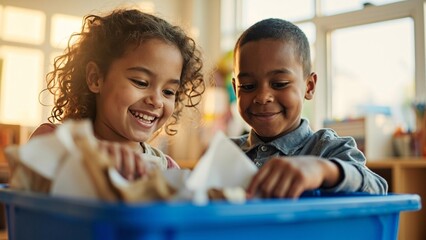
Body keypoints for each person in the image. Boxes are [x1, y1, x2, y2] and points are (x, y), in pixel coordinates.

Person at [31, 8, 205, 180]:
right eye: (141, 82)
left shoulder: (167, 170)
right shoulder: (52, 141)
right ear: (95, 78)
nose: (157, 101)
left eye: (168, 91)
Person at [230, 18, 388, 199]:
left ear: (309, 86)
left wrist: (323, 170)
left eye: (279, 84)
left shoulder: (327, 149)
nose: (263, 97)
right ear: (236, 89)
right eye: (248, 86)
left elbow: (376, 188)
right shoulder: (227, 152)